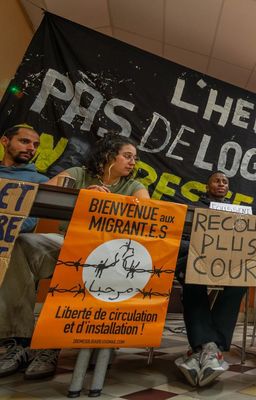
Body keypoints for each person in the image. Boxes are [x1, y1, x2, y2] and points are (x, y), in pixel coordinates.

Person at [0, 133, 148, 380]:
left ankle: (51, 345)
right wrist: (84, 196)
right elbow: (44, 192)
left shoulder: (134, 187)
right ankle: (19, 341)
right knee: (22, 245)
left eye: (135, 158)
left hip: (109, 252)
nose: (133, 162)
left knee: (80, 257)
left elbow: (147, 214)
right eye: (127, 156)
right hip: (67, 241)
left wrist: (110, 204)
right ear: (109, 155)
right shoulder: (78, 174)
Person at [175, 171, 245, 387]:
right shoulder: (193, 208)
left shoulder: (239, 213)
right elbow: (181, 241)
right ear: (207, 187)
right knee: (190, 272)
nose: (221, 184)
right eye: (217, 180)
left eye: (225, 181)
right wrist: (203, 248)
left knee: (244, 275)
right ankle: (211, 347)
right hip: (195, 259)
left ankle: (203, 348)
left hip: (228, 262)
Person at [0, 124, 48, 232]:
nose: (31, 148)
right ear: (5, 141)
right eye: (25, 141)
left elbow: (30, 221)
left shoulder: (41, 181)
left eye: (35, 145)